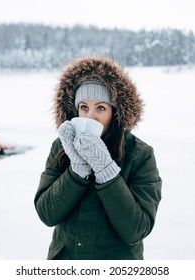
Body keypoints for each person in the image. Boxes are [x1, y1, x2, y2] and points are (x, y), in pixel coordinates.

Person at [34, 57, 162, 260]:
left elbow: (136, 230)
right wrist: (77, 170)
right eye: (84, 107)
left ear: (116, 111)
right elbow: (47, 214)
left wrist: (106, 170)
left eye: (100, 108)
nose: (90, 117)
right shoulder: (62, 147)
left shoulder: (139, 155)